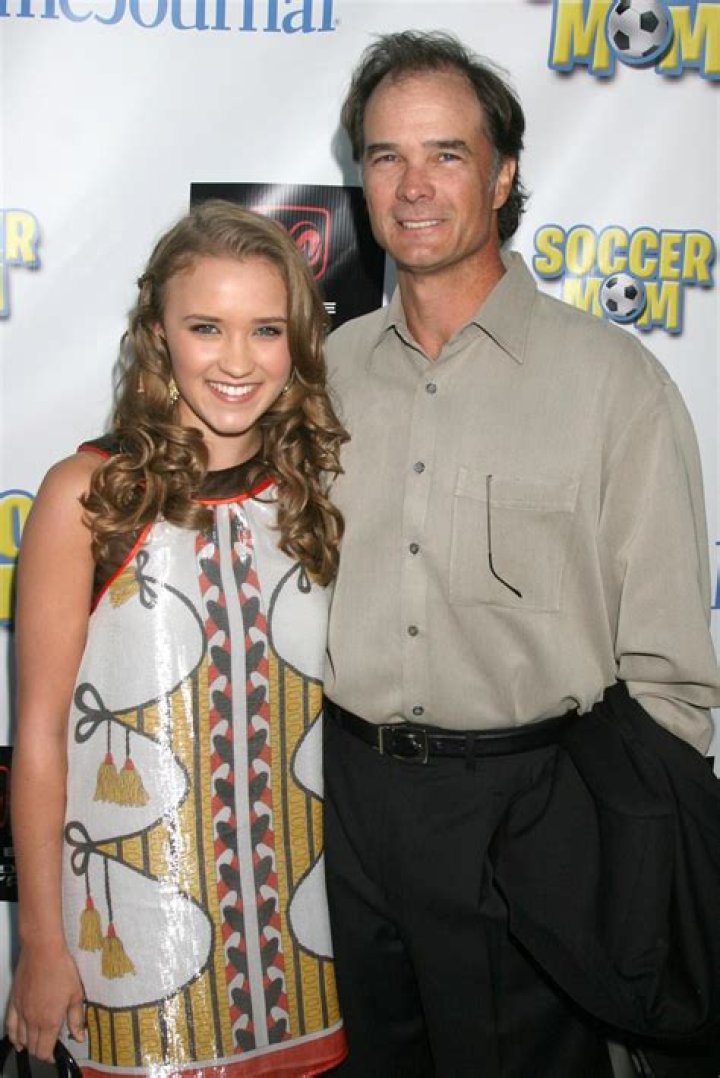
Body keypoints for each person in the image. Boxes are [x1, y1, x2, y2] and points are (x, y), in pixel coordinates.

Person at [322, 30, 720, 1078]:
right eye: (386, 156)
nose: (413, 186)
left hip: (534, 812)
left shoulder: (613, 385)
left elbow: (674, 678)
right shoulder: (324, 374)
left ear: (502, 177)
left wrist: (599, 847)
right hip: (349, 808)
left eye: (446, 154)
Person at [5, 200, 348, 1077]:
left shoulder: (318, 491)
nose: (237, 361)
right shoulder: (89, 495)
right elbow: (39, 739)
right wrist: (39, 943)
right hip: (132, 947)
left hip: (312, 945)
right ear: (159, 335)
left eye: (266, 329)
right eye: (206, 328)